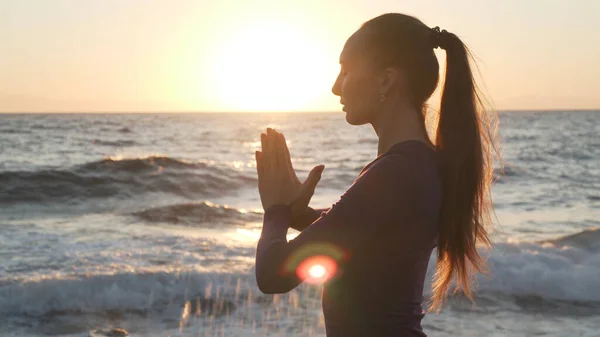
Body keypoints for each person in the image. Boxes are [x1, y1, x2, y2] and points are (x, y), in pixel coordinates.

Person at [254, 13, 498, 337]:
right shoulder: (421, 165)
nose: (335, 86)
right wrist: (297, 214)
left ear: (386, 80)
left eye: (346, 70)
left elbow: (273, 274)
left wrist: (275, 211)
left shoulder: (396, 173)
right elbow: (373, 235)